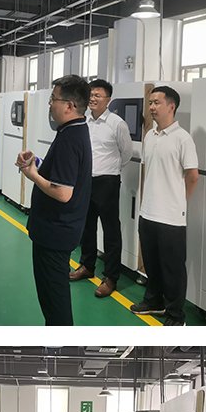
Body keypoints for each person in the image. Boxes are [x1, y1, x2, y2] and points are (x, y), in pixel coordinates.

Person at [16, 75, 92, 325]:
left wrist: (32, 175)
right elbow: (63, 174)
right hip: (59, 230)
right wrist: (37, 162)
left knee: (54, 301)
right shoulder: (74, 131)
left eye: (53, 99)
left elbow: (63, 192)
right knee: (52, 298)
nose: (50, 104)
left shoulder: (70, 138)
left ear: (69, 105)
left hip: (55, 233)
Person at [129, 85, 198, 326]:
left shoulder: (183, 138)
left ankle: (176, 315)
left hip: (171, 217)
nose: (151, 107)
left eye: (156, 102)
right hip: (148, 212)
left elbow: (193, 176)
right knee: (152, 263)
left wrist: (179, 201)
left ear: (171, 106)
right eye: (150, 103)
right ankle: (154, 301)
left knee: (173, 269)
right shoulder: (150, 136)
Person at [74, 78, 133, 298]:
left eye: (97, 95)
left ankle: (110, 277)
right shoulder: (84, 121)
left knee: (110, 230)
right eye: (91, 95)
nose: (93, 98)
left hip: (107, 182)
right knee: (87, 226)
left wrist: (110, 169)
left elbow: (126, 153)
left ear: (108, 99)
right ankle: (87, 266)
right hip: (85, 181)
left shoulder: (117, 123)